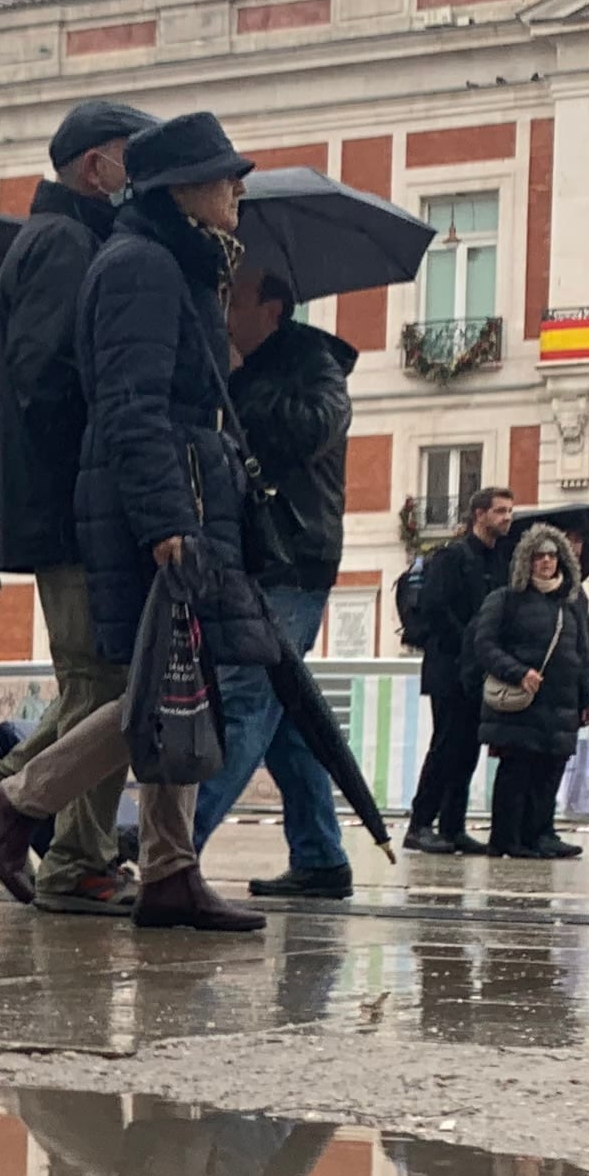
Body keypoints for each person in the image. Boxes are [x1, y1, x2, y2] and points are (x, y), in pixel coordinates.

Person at [0, 111, 276, 934]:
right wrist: (167, 515)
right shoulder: (137, 264)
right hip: (150, 497)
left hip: (169, 488)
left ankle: (167, 867)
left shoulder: (166, 260)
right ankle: (17, 800)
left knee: (178, 677)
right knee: (152, 685)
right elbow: (128, 404)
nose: (238, 187)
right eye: (223, 174)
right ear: (182, 189)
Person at [0, 100, 154, 915]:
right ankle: (11, 809)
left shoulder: (67, 237)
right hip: (70, 505)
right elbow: (47, 374)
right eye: (132, 157)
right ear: (98, 166)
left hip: (62, 500)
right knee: (101, 681)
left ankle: (67, 846)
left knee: (100, 677)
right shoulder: (65, 243)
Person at [201, 266, 357, 901]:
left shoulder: (313, 361)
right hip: (260, 558)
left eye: (232, 298)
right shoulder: (241, 365)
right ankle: (320, 855)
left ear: (272, 307)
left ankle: (169, 847)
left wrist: (238, 381)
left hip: (294, 557)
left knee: (244, 700)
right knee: (286, 710)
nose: (222, 310)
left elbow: (313, 428)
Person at [465, 520, 589, 861]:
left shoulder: (572, 600)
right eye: (538, 556)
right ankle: (508, 839)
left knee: (550, 769)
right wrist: (518, 671)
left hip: (562, 702)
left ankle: (542, 834)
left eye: (552, 556)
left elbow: (583, 652)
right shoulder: (506, 599)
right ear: (527, 560)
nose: (546, 562)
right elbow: (485, 644)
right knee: (516, 772)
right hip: (520, 702)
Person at [398, 484, 519, 855]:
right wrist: (472, 641)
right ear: (479, 514)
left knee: (468, 748)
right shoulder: (453, 556)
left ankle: (452, 825)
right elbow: (436, 608)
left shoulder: (499, 560)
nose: (507, 518)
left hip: (479, 670)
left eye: (510, 511)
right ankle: (420, 823)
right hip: (449, 667)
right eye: (500, 511)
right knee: (446, 745)